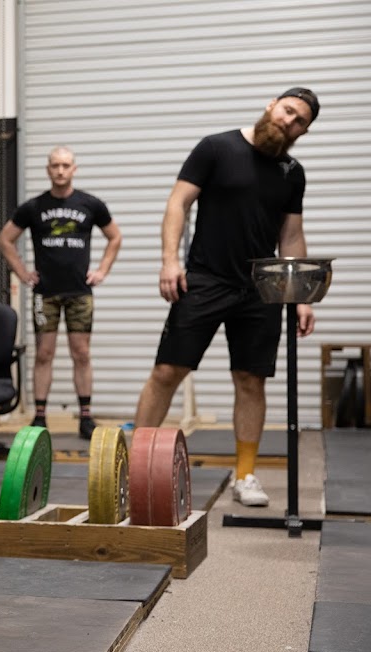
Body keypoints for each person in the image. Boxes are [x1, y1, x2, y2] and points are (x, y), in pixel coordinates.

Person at [134, 87, 321, 507]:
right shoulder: (216, 147)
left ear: (302, 132)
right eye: (287, 111)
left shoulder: (292, 172)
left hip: (262, 288)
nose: (288, 122)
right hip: (205, 279)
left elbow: (291, 236)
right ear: (271, 104)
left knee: (250, 381)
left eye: (299, 122)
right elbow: (178, 203)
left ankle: (246, 475)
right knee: (167, 372)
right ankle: (136, 467)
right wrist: (169, 261)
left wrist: (302, 296)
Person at [0, 146, 122, 440]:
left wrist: (102, 270)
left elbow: (114, 236)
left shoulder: (91, 205)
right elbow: (5, 239)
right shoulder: (33, 207)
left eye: (66, 165)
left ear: (74, 169)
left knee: (81, 353)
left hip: (80, 292)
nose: (61, 170)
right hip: (46, 293)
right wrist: (22, 272)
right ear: (48, 169)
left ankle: (86, 418)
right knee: (44, 354)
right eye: (55, 165)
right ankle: (40, 417)